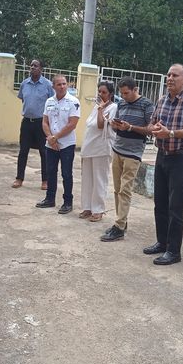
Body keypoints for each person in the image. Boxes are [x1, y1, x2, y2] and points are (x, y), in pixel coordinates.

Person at [143, 64, 183, 265]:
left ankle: (174, 251)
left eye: (175, 75)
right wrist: (155, 128)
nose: (170, 78)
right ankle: (162, 242)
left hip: (181, 158)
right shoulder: (161, 101)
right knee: (159, 202)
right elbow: (152, 125)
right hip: (162, 156)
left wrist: (170, 133)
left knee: (175, 206)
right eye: (168, 74)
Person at [100, 77, 154, 242]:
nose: (123, 96)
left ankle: (119, 227)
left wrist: (130, 127)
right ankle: (121, 221)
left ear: (135, 89)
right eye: (122, 93)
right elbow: (116, 126)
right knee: (117, 190)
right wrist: (115, 125)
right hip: (117, 149)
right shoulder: (121, 104)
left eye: (126, 93)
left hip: (133, 153)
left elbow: (151, 130)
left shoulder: (147, 105)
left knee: (125, 190)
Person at [35, 75, 80, 214]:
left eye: (64, 84)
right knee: (51, 172)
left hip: (66, 144)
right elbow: (44, 121)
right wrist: (49, 138)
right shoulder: (49, 101)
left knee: (66, 174)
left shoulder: (73, 102)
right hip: (51, 144)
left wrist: (56, 137)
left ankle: (67, 202)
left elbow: (72, 124)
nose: (62, 87)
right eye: (59, 84)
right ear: (53, 86)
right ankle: (50, 198)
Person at [79, 81, 118, 222]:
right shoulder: (96, 106)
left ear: (111, 94)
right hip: (89, 148)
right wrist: (99, 108)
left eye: (104, 92)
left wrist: (101, 110)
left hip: (101, 149)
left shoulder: (113, 107)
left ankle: (98, 210)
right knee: (87, 180)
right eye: (99, 92)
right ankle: (87, 207)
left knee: (99, 180)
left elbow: (101, 126)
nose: (100, 95)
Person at [12, 59, 54, 190]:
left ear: (41, 69)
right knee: (23, 151)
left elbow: (52, 102)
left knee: (44, 152)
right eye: (31, 66)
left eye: (35, 66)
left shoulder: (47, 85)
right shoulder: (25, 84)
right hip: (26, 122)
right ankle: (19, 178)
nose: (32, 68)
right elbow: (23, 99)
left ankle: (45, 181)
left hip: (41, 123)